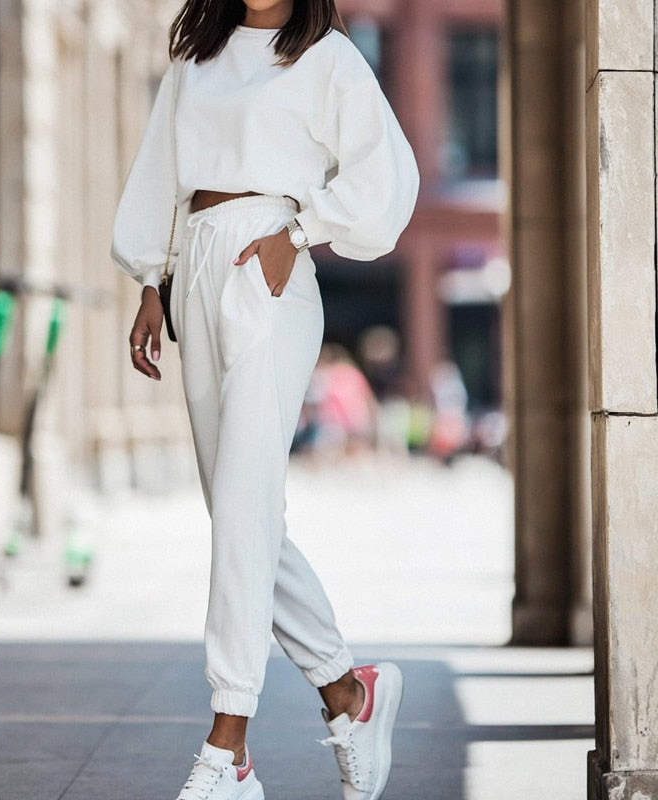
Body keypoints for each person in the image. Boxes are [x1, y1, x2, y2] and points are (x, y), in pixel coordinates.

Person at [111, 0, 419, 796]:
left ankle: (228, 746)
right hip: (197, 265)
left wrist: (299, 232)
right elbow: (157, 169)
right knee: (241, 511)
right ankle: (347, 693)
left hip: (268, 270)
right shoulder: (197, 55)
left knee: (245, 506)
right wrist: (153, 279)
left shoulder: (326, 58)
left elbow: (387, 176)